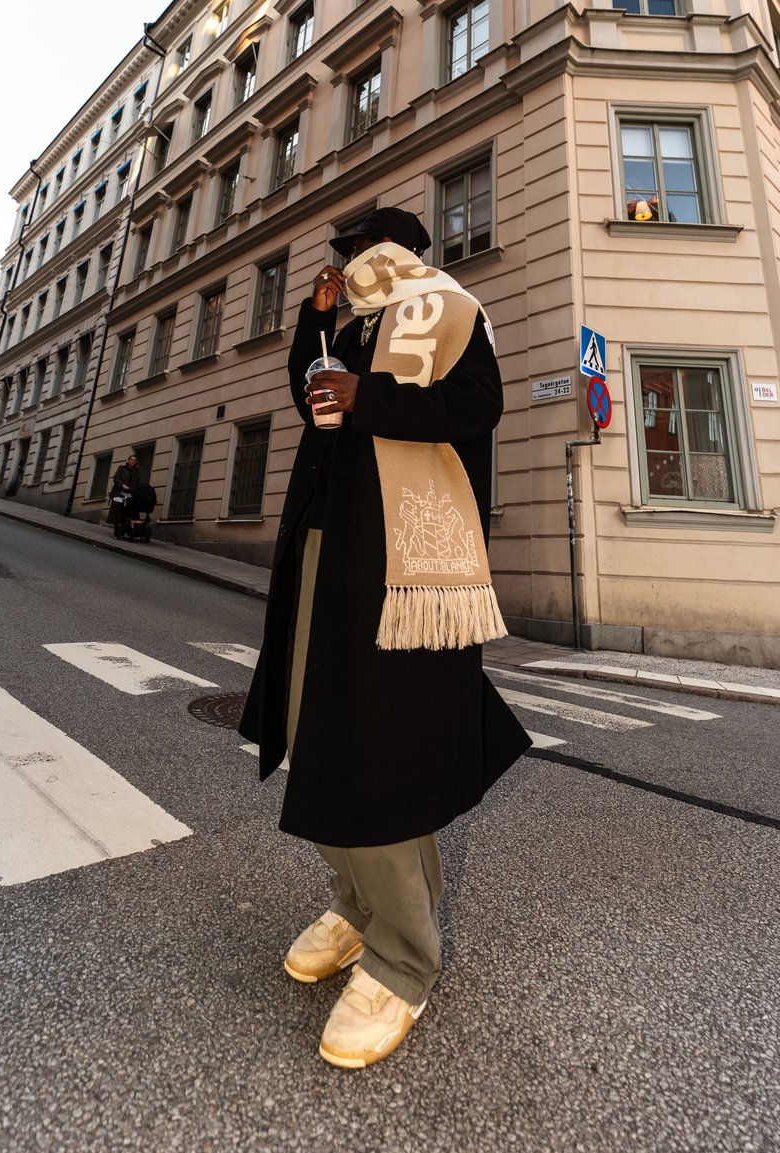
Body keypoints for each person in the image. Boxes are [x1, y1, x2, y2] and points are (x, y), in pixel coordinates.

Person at [240, 207, 531, 1069]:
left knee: (373, 749)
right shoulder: (355, 325)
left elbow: (480, 405)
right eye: (341, 256)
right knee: (309, 733)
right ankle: (358, 902)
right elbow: (311, 393)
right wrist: (315, 324)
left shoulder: (447, 309)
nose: (349, 263)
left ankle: (404, 956)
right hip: (325, 552)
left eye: (358, 252)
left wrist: (370, 396)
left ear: (398, 253)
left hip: (402, 566)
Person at [108, 453, 140, 539]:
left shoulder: (136, 471)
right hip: (119, 492)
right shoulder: (121, 468)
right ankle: (116, 530)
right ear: (128, 461)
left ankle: (125, 530)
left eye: (134, 460)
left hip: (129, 494)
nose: (133, 461)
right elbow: (116, 478)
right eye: (131, 460)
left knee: (128, 512)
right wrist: (122, 485)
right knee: (117, 511)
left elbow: (137, 483)